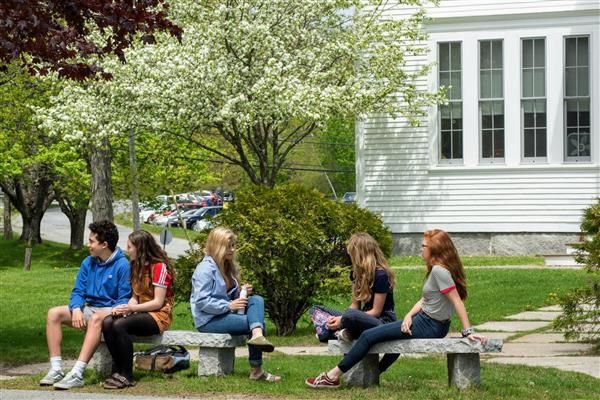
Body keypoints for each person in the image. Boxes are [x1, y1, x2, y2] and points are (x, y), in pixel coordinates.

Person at [305, 229, 487, 389]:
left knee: (369, 336)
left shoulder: (439, 271)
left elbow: (457, 301)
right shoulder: (436, 270)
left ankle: (332, 376)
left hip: (431, 325)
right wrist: (409, 316)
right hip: (423, 321)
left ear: (434, 250)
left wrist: (467, 332)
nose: (420, 249)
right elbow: (425, 299)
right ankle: (341, 367)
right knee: (372, 334)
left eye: (424, 246)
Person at [41, 220, 131, 390]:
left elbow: (123, 300)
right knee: (54, 313)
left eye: (91, 241)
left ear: (104, 245)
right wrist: (76, 308)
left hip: (111, 311)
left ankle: (77, 373)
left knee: (96, 318)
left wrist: (108, 312)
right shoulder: (88, 262)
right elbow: (78, 291)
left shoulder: (122, 265)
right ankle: (56, 369)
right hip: (89, 308)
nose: (88, 244)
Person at [190, 227, 281, 382]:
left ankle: (257, 335)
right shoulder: (205, 269)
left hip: (224, 313)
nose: (232, 249)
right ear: (217, 246)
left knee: (256, 300)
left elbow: (226, 295)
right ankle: (256, 368)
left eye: (233, 245)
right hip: (209, 319)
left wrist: (241, 291)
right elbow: (201, 301)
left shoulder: (226, 266)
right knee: (258, 324)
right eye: (228, 246)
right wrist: (228, 306)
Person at [101, 230, 174, 389]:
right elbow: (135, 295)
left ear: (140, 248)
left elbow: (157, 302)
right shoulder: (135, 266)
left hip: (158, 315)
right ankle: (118, 370)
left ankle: (127, 375)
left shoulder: (159, 267)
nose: (127, 250)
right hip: (141, 312)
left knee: (120, 325)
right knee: (107, 322)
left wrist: (132, 307)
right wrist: (125, 308)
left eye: (130, 247)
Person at [315, 232, 397, 343]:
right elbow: (355, 305)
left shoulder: (381, 275)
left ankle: (333, 333)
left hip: (382, 321)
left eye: (351, 254)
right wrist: (338, 319)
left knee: (350, 316)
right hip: (361, 316)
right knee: (317, 309)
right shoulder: (355, 274)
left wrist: (344, 319)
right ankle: (341, 331)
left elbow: (376, 312)